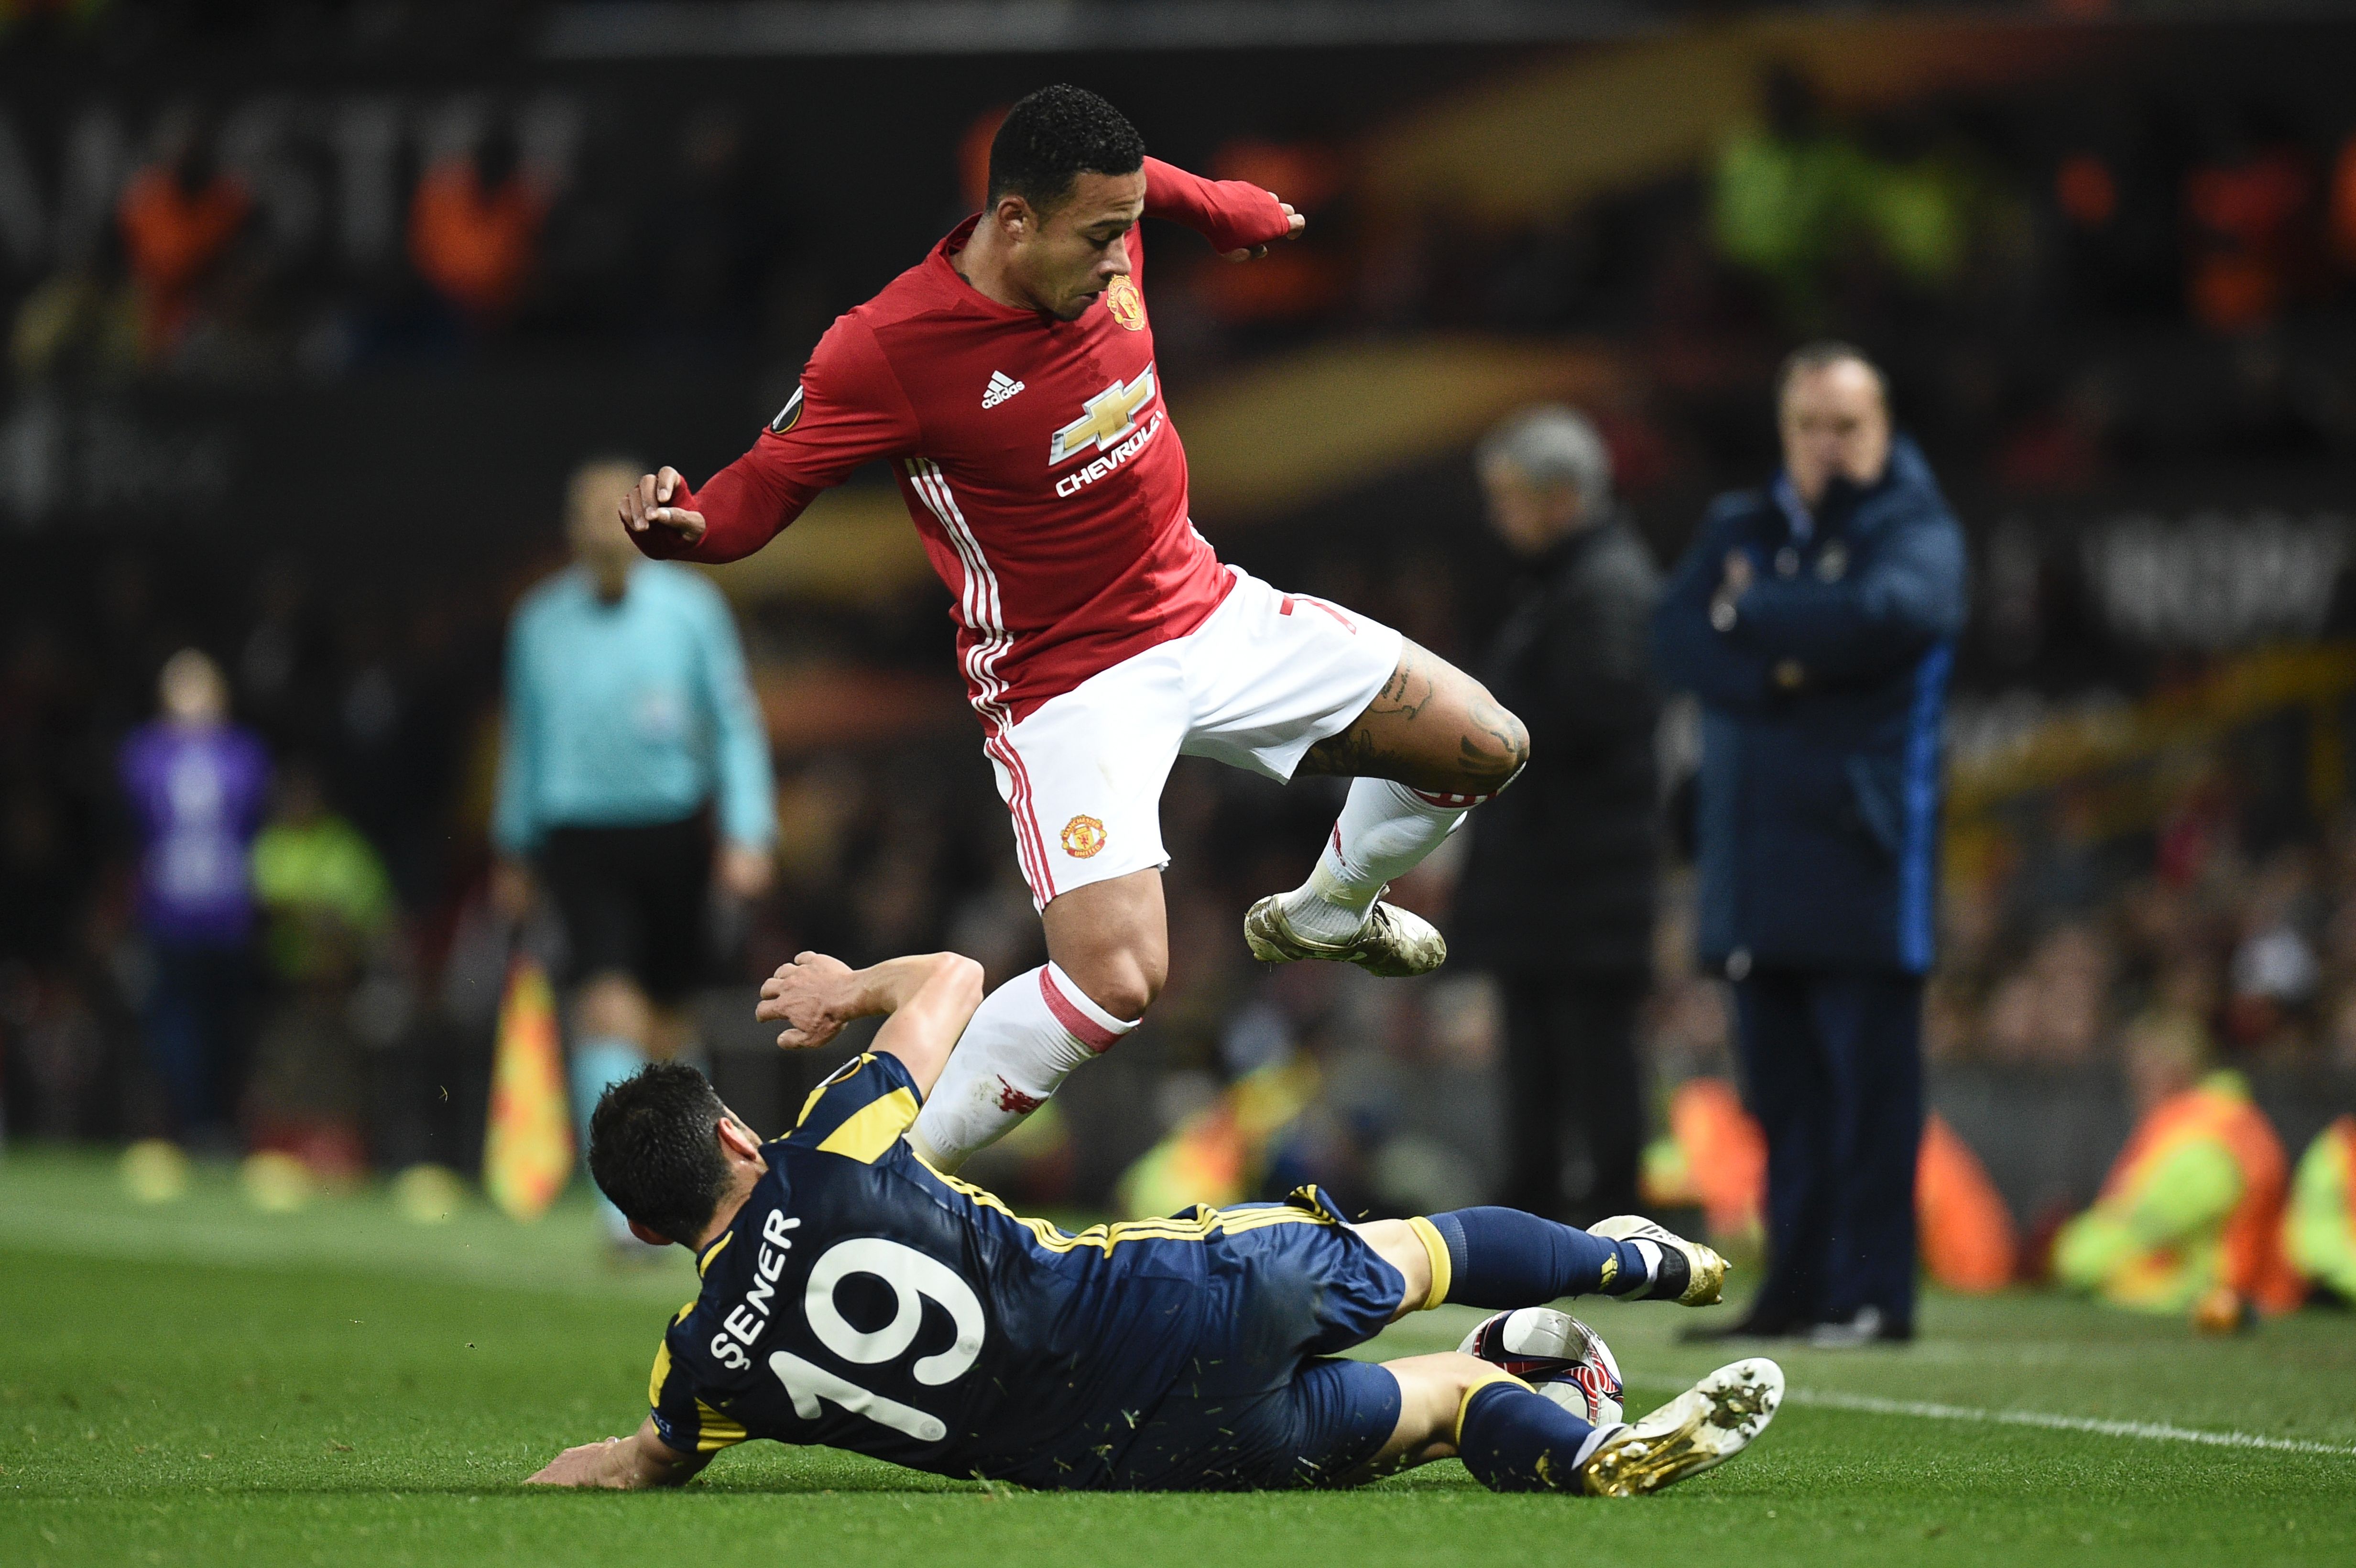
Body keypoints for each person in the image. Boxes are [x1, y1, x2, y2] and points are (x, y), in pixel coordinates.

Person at [618, 85, 1528, 1177]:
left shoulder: (1105, 222)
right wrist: (691, 524)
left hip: (1206, 606)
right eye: (1099, 238)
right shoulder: (890, 347)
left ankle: (1329, 909)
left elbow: (1151, 190)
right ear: (1014, 223)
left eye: (1128, 229)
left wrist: (1222, 205)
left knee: (1484, 744)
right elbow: (761, 489)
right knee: (1119, 978)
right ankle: (860, 1177)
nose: (1117, 260)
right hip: (1067, 683)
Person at [523, 947, 1782, 1497]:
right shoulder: (834, 1137)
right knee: (1426, 1251)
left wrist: (528, 1485)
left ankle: (1575, 1458)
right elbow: (957, 981)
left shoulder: (703, 1369)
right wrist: (853, 990)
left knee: (1451, 1400)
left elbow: (639, 1462)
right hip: (1175, 1301)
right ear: (737, 1135)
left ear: (645, 1231)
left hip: (1131, 1457)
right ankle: (1639, 1257)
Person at [1651, 342, 1966, 1346]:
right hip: (1750, 862)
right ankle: (1796, 1287)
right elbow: (1674, 639)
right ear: (1784, 429)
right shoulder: (1739, 522)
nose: (1828, 445)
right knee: (1781, 1099)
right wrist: (1786, 660)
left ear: (1881, 429)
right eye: (1810, 425)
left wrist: (1753, 615)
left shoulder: (1912, 528)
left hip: (1863, 858)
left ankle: (1875, 1294)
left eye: (1848, 425)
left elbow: (1893, 614)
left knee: (1868, 1098)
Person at [493, 457, 778, 1239]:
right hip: (579, 835)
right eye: (583, 513)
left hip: (671, 833)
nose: (598, 528)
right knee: (603, 1010)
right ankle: (626, 1214)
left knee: (668, 1027)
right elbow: (525, 739)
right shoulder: (538, 623)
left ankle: (695, 1192)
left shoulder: (690, 610)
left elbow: (733, 723)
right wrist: (512, 847)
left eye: (609, 510)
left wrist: (747, 832)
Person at [1453, 406, 1661, 1225]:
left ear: (1562, 496)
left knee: (1592, 1058)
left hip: (1580, 880)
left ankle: (1610, 1212)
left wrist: (1491, 734)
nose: (1497, 516)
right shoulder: (1572, 584)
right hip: (1558, 881)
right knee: (1544, 1055)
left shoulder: (1602, 589)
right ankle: (1536, 1208)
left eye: (1509, 497)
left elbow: (1598, 718)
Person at [118, 648, 271, 1148]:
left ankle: (223, 1125)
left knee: (228, 1024)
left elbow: (253, 826)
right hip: (168, 913)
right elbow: (131, 830)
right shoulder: (144, 753)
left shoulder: (243, 754)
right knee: (174, 1027)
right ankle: (187, 1125)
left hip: (227, 914)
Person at [2053, 1023, 2302, 1319]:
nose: (2134, 1091)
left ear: (2171, 1074)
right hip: (2246, 1300)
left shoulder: (2196, 1139)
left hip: (2228, 1304)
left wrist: (2072, 1255)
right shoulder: (2229, 1119)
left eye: (2140, 1076)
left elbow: (2135, 1228)